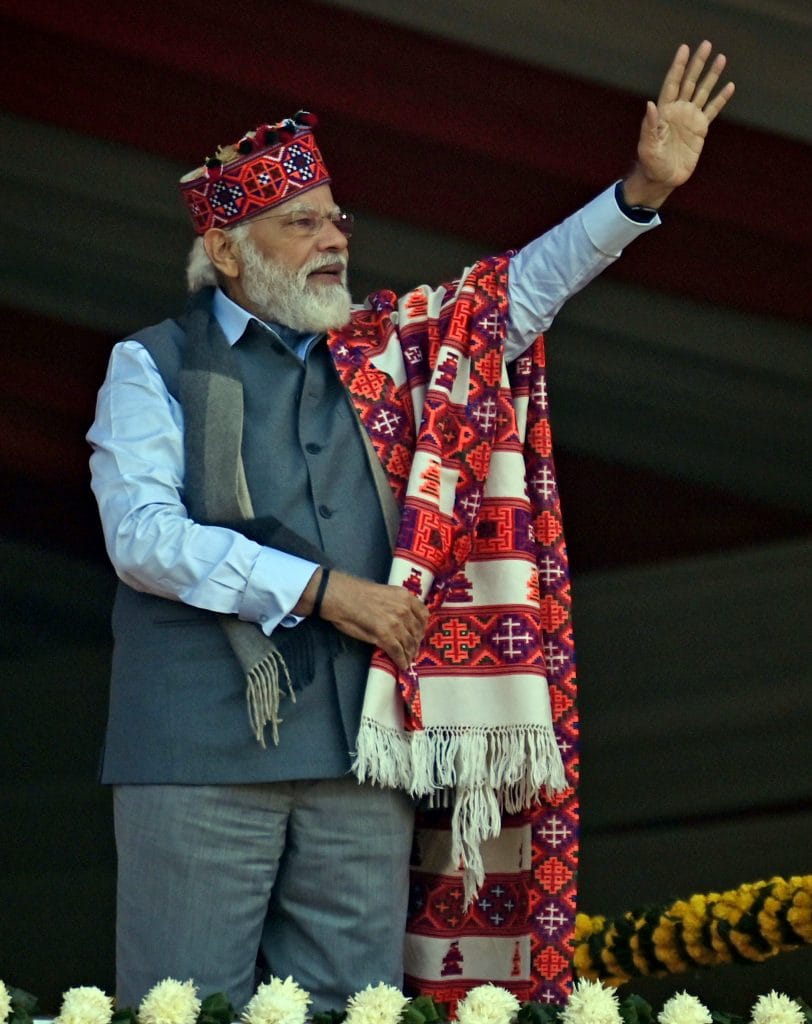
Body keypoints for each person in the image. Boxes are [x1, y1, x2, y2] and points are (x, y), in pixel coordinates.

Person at [87, 41, 734, 1012]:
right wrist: (320, 591)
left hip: (365, 752)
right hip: (193, 754)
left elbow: (516, 294)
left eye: (335, 219)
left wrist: (640, 191)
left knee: (359, 1006)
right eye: (301, 223)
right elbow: (141, 536)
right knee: (185, 1005)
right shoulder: (150, 365)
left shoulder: (395, 349)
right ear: (224, 251)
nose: (333, 240)